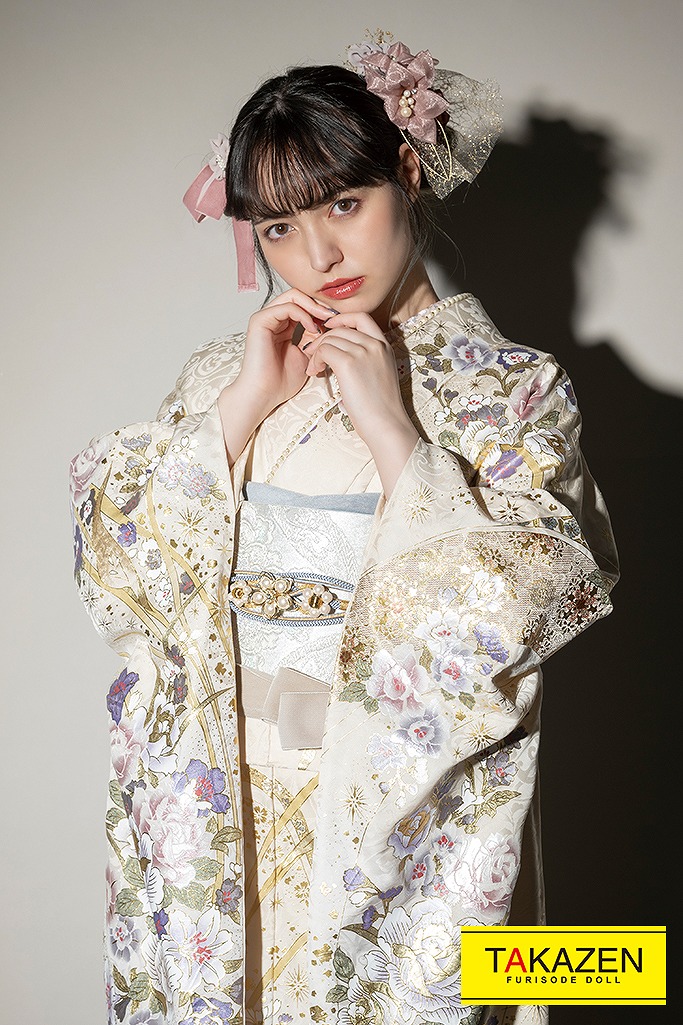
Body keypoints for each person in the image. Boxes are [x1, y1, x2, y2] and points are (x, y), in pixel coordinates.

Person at [69, 38, 618, 1025]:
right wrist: (240, 406)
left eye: (342, 205)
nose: (316, 257)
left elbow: (525, 603)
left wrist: (392, 430)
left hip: (398, 814)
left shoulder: (510, 389)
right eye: (278, 227)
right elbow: (116, 574)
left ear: (406, 171)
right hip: (220, 810)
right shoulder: (225, 374)